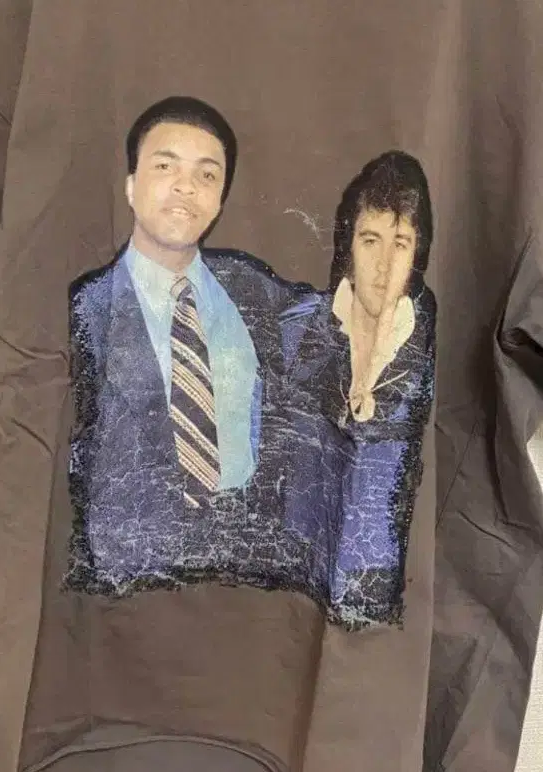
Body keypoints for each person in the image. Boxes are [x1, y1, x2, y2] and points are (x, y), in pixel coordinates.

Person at [63, 95, 317, 599]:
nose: (186, 186)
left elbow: (336, 321)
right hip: (131, 586)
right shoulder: (84, 309)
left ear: (220, 199)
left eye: (207, 174)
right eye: (165, 166)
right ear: (130, 185)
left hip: (250, 577)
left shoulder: (250, 286)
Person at [279, 150, 437, 628]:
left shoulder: (429, 345)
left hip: (387, 615)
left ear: (417, 255)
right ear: (348, 246)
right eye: (371, 241)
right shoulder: (295, 334)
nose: (384, 265)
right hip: (287, 600)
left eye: (401, 244)